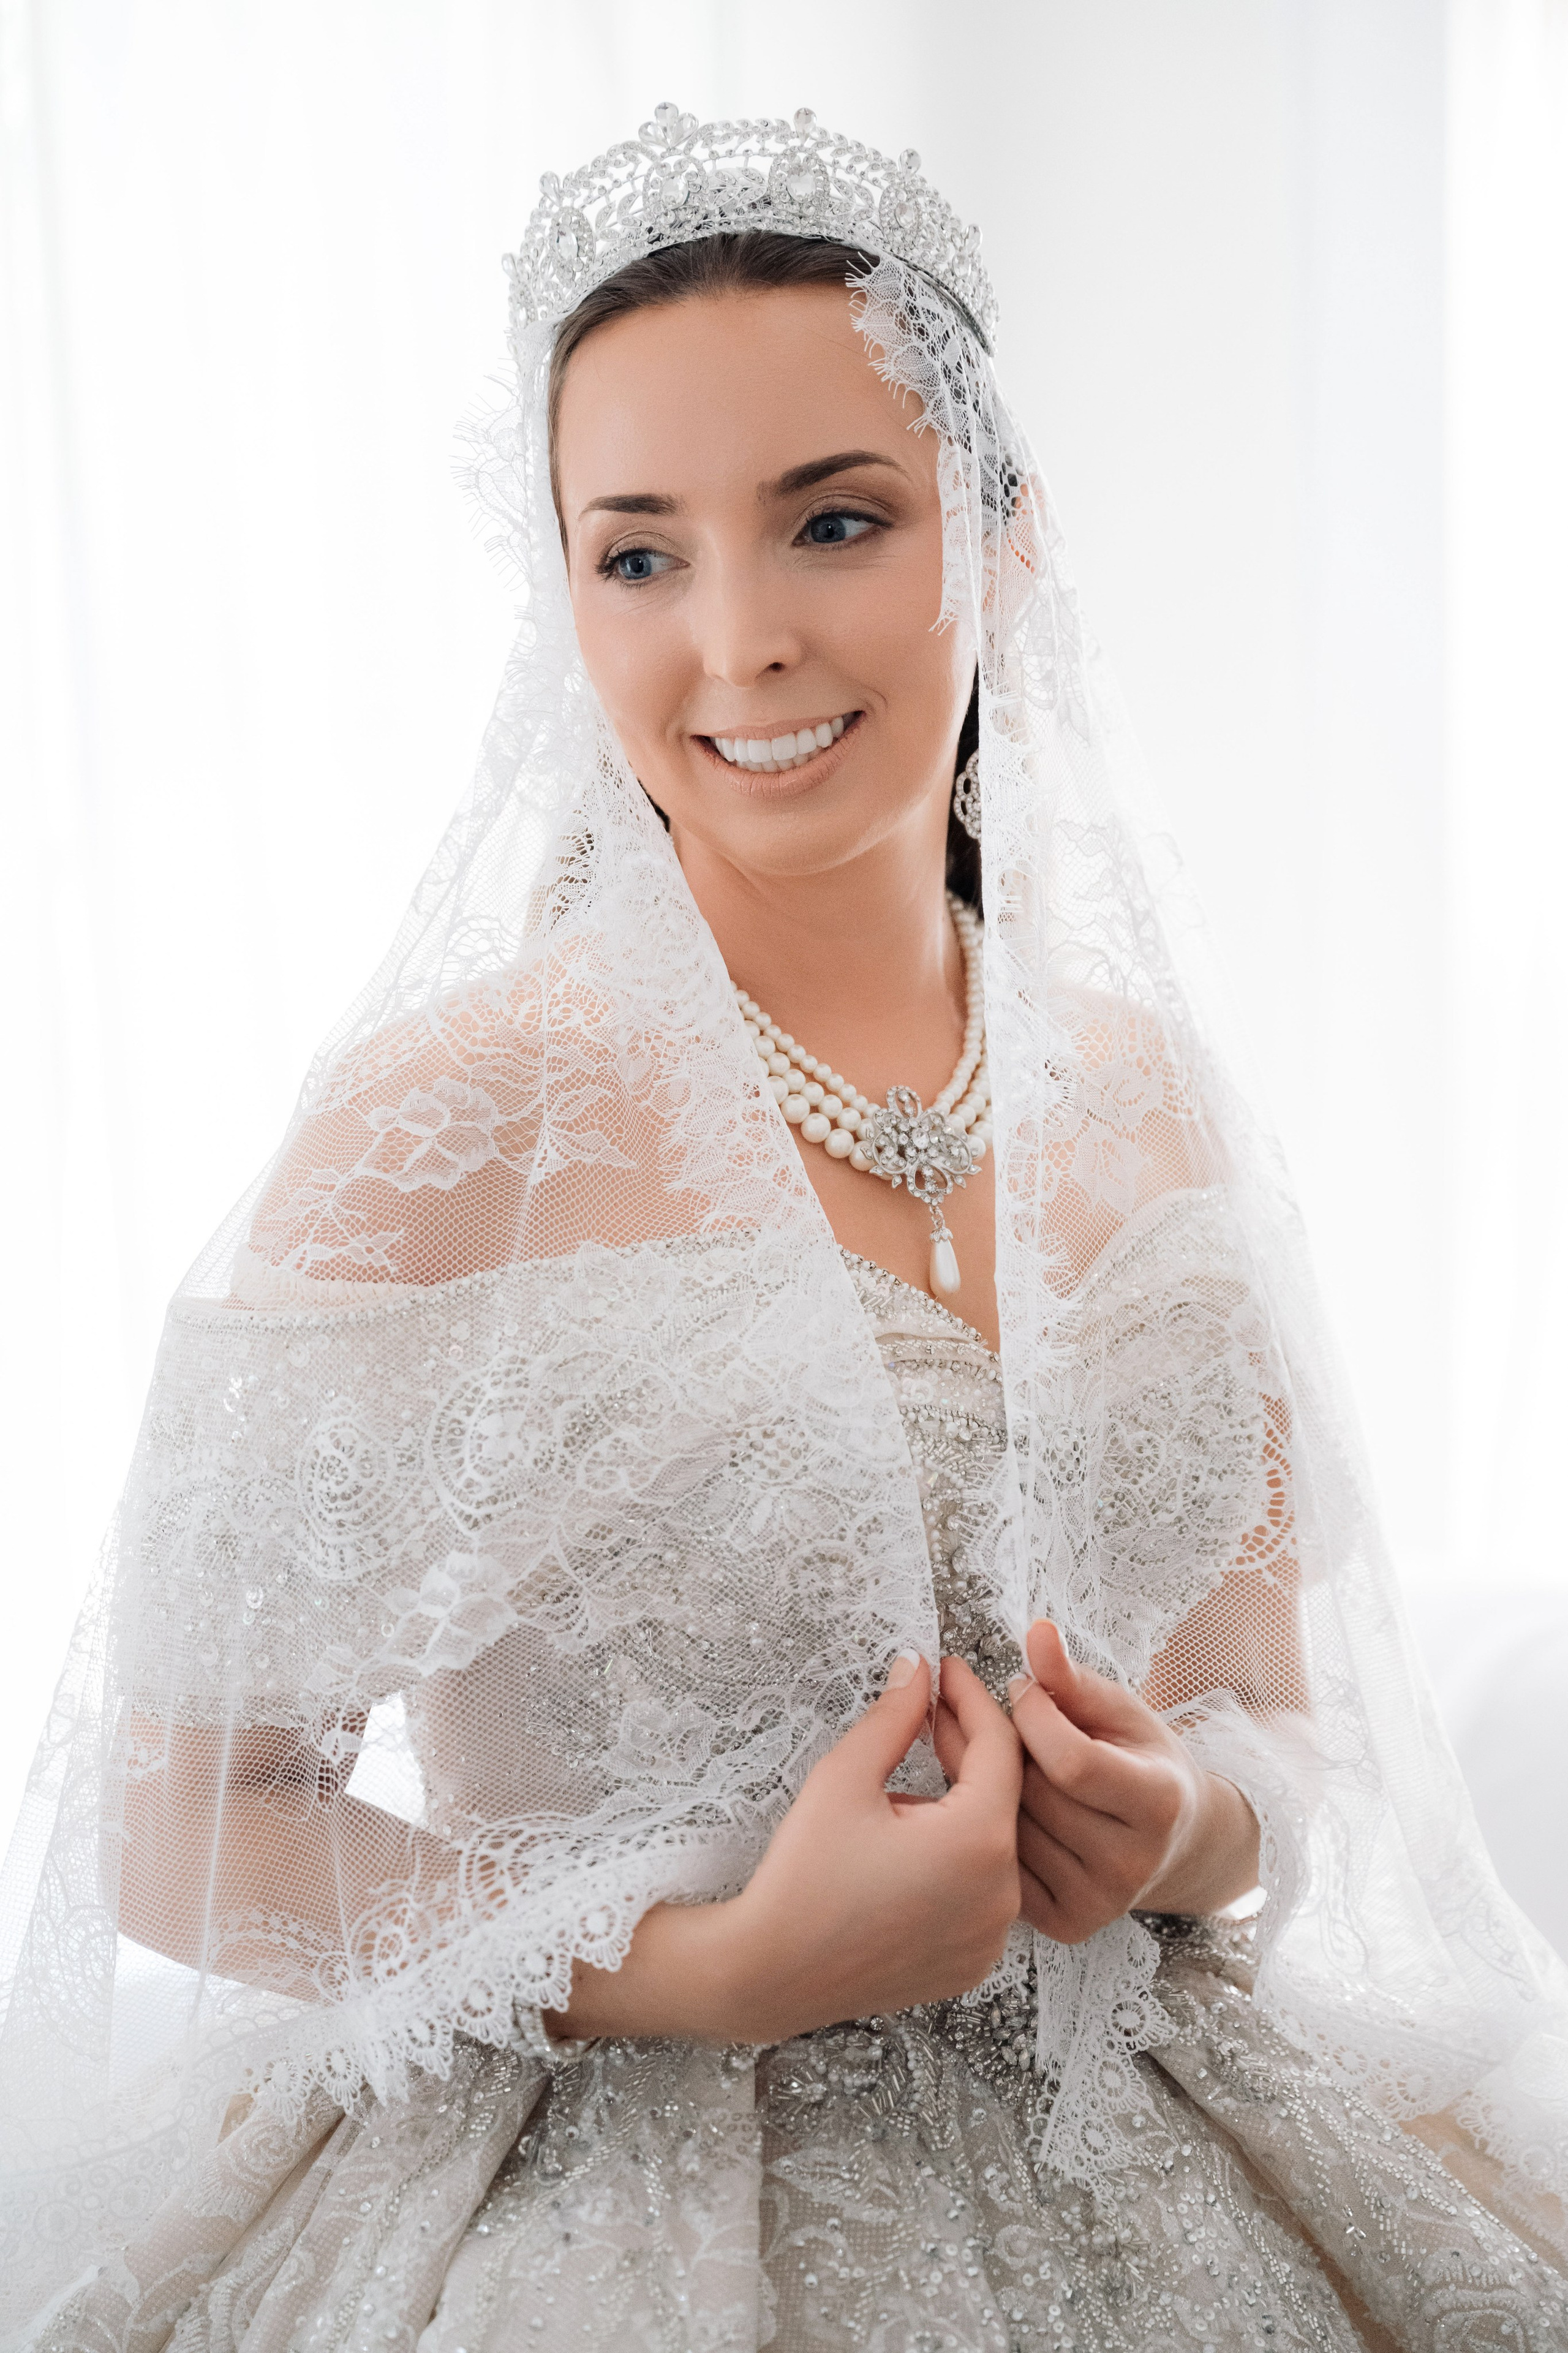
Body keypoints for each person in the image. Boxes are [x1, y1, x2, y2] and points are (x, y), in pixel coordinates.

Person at [2, 104, 1564, 2353]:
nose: (738, 642)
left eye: (834, 521)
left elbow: (1273, 1722)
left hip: (1162, 2125)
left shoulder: (1143, 1093)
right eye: (639, 556)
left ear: (1002, 539)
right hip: (612, 2202)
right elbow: (183, 1815)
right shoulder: (447, 1129)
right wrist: (715, 1967)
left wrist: (1185, 1829)